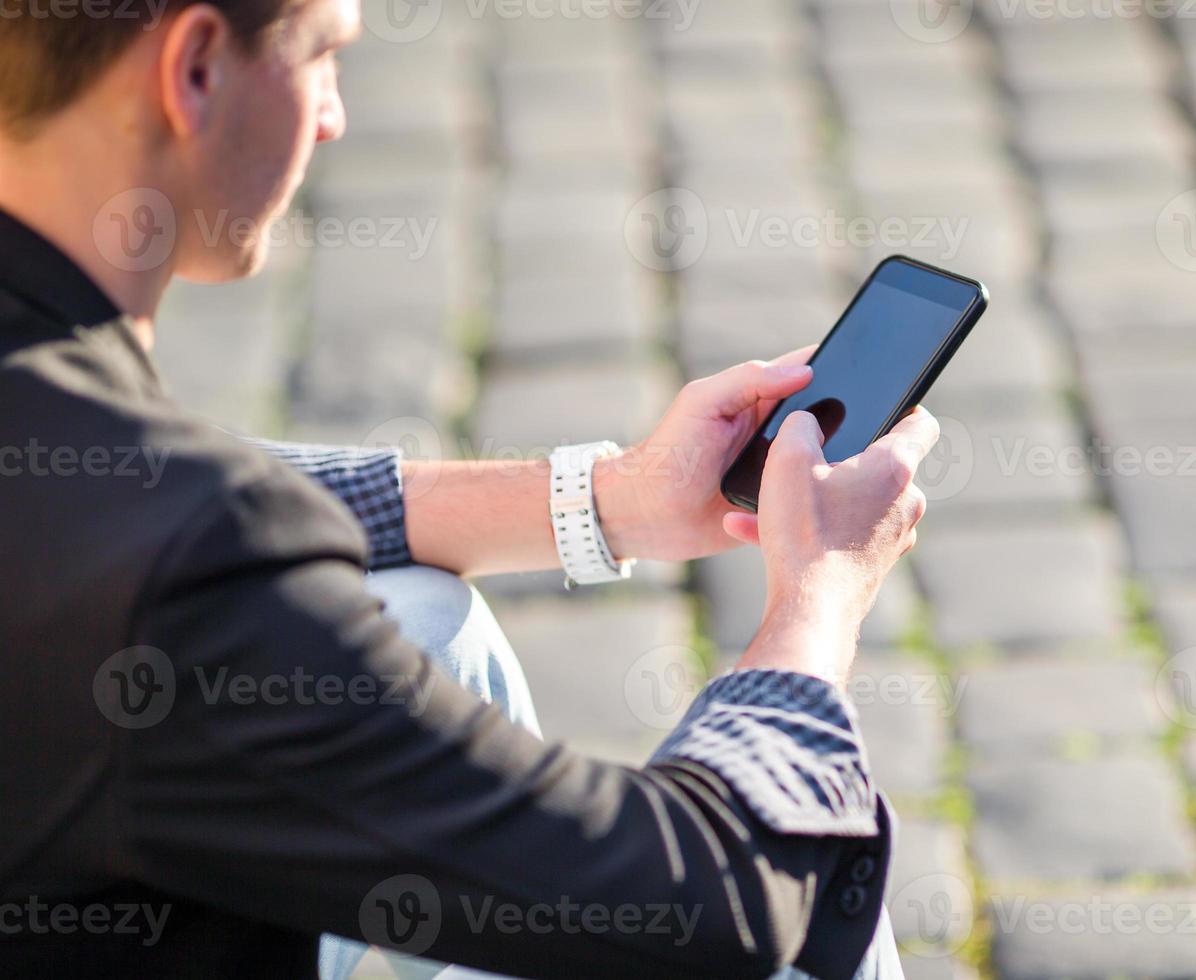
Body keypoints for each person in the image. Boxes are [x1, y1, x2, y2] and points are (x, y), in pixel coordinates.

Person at [0, 0, 936, 977]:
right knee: (814, 870)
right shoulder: (177, 573)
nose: (332, 117)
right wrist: (814, 599)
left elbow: (178, 490)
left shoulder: (97, 480)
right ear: (194, 67)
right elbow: (704, 904)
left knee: (423, 621)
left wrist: (612, 496)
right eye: (321, 56)